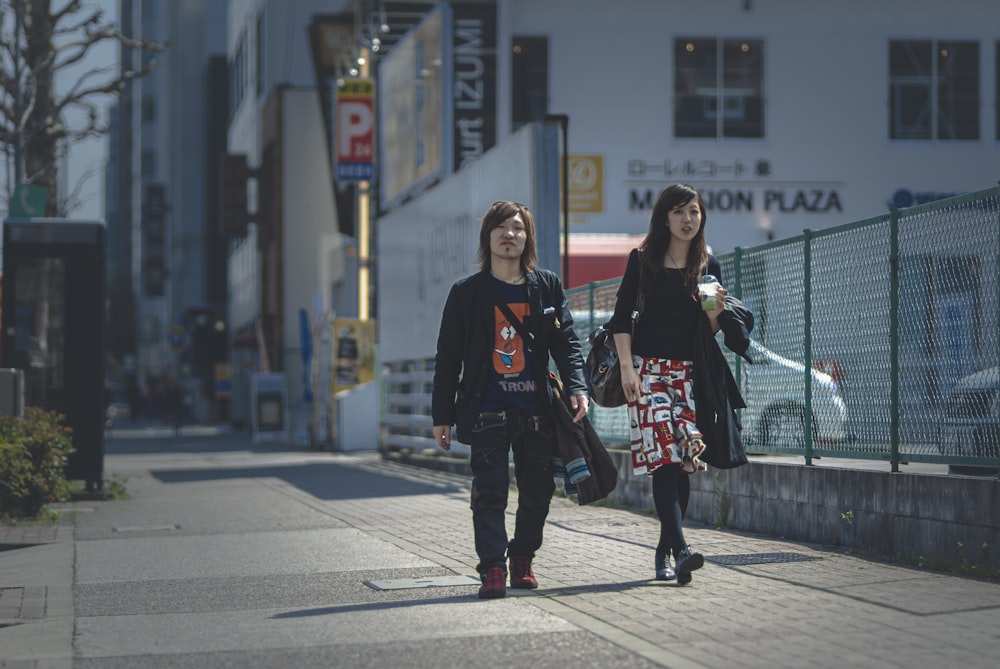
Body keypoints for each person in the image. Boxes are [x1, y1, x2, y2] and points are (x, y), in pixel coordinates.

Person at [431, 200, 590, 599]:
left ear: (528, 237)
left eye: (518, 228)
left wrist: (577, 386)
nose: (509, 234)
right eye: (501, 227)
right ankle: (492, 569)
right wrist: (442, 415)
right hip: (486, 411)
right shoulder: (467, 293)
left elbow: (566, 341)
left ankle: (522, 557)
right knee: (490, 491)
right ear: (488, 236)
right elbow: (448, 358)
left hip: (535, 411)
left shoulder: (546, 286)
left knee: (538, 493)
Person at [608, 183, 735, 585]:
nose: (687, 220)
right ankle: (682, 549)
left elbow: (709, 331)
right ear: (665, 217)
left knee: (683, 461)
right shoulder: (643, 260)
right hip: (647, 372)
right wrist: (627, 369)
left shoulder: (708, 265)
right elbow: (621, 318)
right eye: (679, 211)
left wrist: (715, 311)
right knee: (664, 457)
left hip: (689, 374)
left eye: (694, 212)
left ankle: (665, 550)